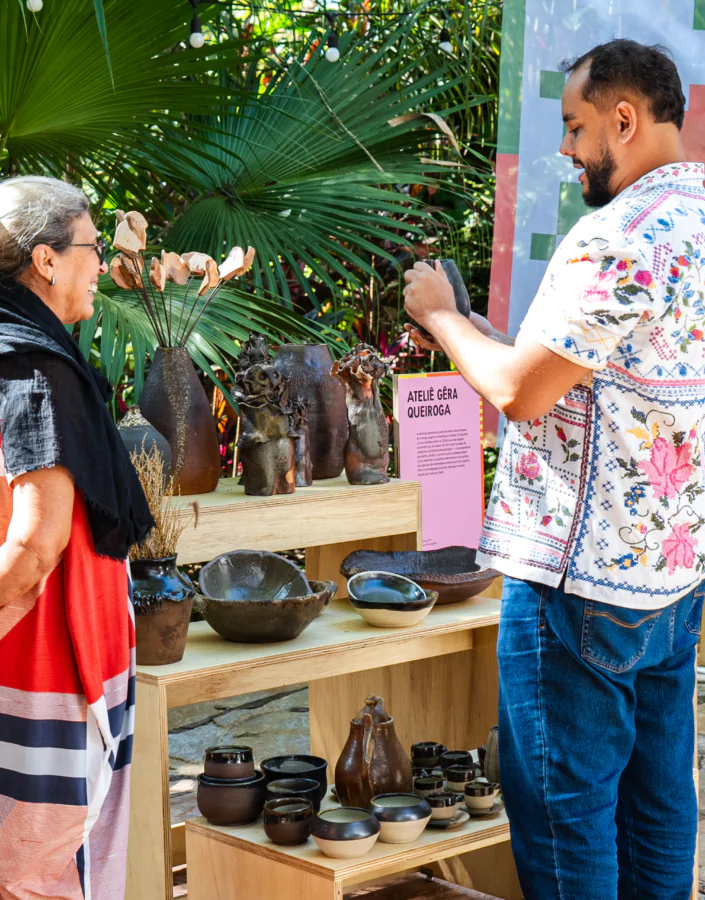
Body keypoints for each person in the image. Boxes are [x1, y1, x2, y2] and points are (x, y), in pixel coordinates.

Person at [404, 40, 704, 900]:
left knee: (565, 819)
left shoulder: (617, 235)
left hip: (577, 581)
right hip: (667, 576)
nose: (567, 150)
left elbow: (515, 392)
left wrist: (438, 319)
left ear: (624, 118)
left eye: (574, 128)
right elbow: (578, 374)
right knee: (657, 807)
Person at [0, 176, 154, 899]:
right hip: (44, 661)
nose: (102, 263)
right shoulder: (30, 367)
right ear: (47, 259)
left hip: (47, 652)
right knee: (44, 872)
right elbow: (34, 549)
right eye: (91, 247)